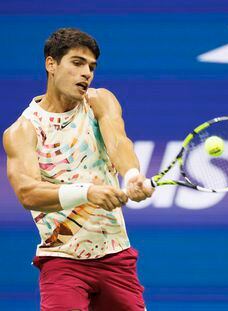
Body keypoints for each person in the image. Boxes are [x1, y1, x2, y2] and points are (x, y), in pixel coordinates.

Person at [2, 28, 153, 310]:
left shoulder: (99, 102)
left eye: (92, 67)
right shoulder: (23, 131)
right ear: (51, 64)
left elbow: (119, 142)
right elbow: (28, 193)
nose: (87, 73)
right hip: (62, 260)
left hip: (116, 257)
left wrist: (132, 175)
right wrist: (88, 192)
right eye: (77, 63)